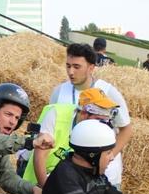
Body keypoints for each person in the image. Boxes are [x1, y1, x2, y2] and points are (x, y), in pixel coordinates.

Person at [47, 42, 132, 172]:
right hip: (68, 168)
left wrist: (109, 157)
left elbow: (126, 129)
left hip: (105, 172)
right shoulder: (58, 92)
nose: (70, 72)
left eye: (77, 67)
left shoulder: (108, 92)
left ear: (91, 68)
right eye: (68, 66)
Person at [26, 87, 124, 188]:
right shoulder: (56, 113)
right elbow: (40, 156)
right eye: (98, 119)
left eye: (105, 120)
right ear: (84, 114)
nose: (101, 124)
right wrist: (45, 189)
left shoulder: (99, 128)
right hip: (39, 182)